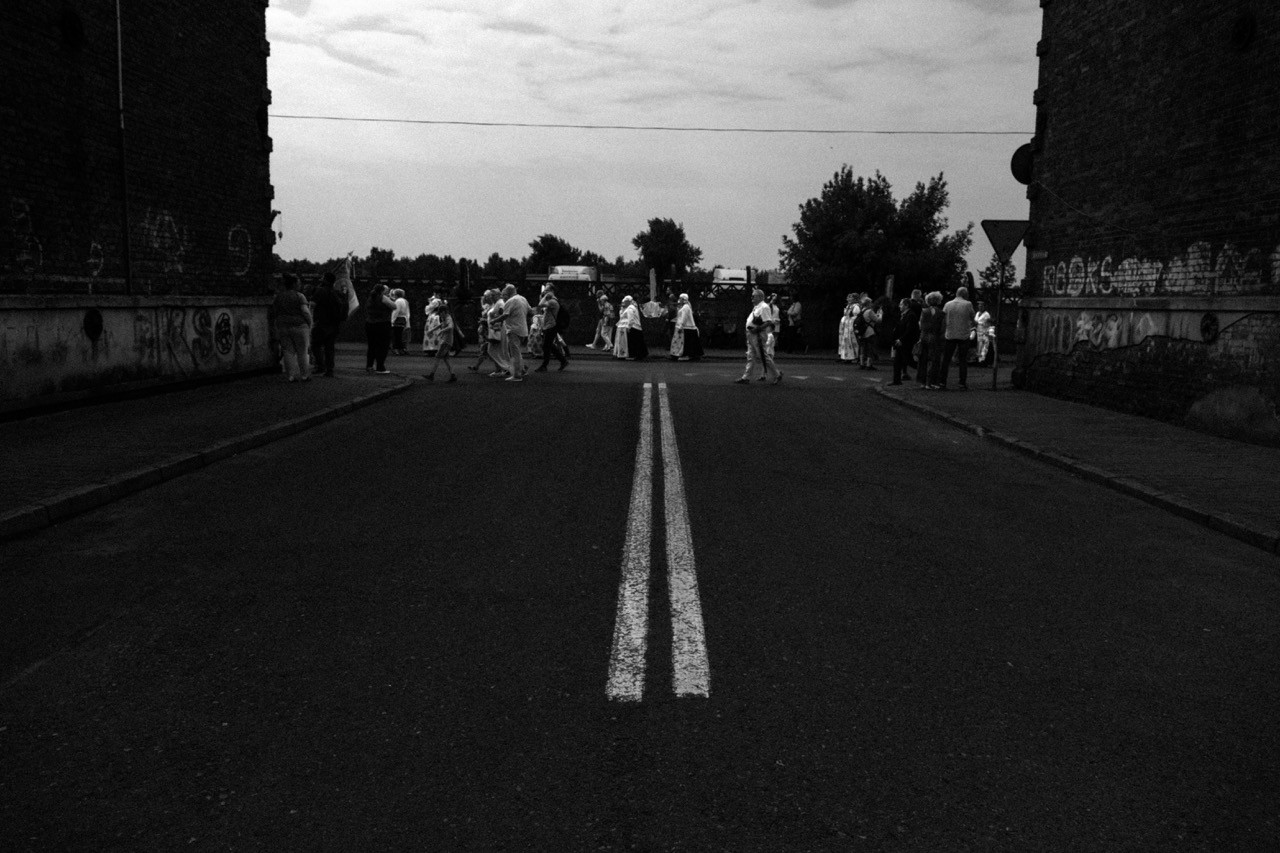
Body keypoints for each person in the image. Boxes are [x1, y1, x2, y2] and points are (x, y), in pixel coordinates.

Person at [735, 288, 782, 384]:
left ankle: (777, 374)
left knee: (763, 356)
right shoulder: (757, 307)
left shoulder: (764, 307)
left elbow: (768, 321)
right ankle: (746, 377)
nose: (752, 297)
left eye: (754, 296)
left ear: (760, 297)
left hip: (758, 335)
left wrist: (757, 329)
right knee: (751, 356)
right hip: (752, 334)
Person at [272, 273, 312, 382]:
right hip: (299, 326)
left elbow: (275, 312)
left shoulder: (278, 297)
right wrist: (310, 324)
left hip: (283, 326)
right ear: (294, 284)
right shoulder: (299, 296)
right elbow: (305, 312)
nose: (300, 285)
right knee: (302, 352)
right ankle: (304, 375)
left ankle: (290, 376)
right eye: (298, 283)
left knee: (288, 351)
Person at [310, 271, 348, 377]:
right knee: (329, 347)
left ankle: (320, 365)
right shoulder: (337, 293)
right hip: (334, 324)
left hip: (321, 323)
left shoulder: (320, 291)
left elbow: (312, 305)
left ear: (325, 280)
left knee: (315, 345)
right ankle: (329, 370)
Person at [939, 285, 977, 389]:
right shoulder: (968, 304)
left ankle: (942, 381)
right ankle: (962, 382)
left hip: (950, 334)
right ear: (965, 295)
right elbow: (973, 318)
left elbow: (943, 319)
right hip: (963, 335)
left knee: (946, 359)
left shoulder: (948, 304)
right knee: (963, 360)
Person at [498, 283, 530, 381]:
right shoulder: (523, 299)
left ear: (508, 293)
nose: (503, 297)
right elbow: (530, 311)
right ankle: (522, 370)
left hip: (513, 329)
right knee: (517, 351)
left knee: (514, 353)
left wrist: (494, 320)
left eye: (504, 294)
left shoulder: (511, 301)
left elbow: (505, 315)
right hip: (523, 329)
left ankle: (517, 375)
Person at [891, 290, 923, 386]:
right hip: (901, 342)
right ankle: (896, 380)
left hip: (906, 343)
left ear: (906, 305)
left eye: (901, 305)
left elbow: (909, 330)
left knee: (910, 361)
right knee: (898, 362)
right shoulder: (905, 315)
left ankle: (925, 374)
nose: (899, 306)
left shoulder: (910, 315)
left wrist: (901, 339)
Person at [365, 281, 396, 374]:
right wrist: (390, 299)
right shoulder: (382, 297)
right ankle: (380, 367)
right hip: (382, 324)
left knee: (372, 346)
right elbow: (394, 306)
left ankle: (369, 365)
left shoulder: (371, 298)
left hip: (370, 323)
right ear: (382, 291)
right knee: (383, 346)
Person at [536, 286, 569, 372]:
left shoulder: (552, 301)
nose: (545, 291)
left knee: (546, 346)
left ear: (551, 291)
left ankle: (544, 365)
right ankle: (563, 360)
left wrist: (545, 296)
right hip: (548, 326)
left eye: (547, 290)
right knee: (549, 345)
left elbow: (540, 305)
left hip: (551, 326)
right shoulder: (551, 300)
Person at [423, 300, 457, 383]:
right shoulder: (445, 317)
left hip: (446, 341)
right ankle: (452, 375)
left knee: (437, 357)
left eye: (441, 313)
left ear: (444, 312)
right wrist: (432, 330)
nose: (440, 315)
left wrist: (442, 331)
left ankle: (432, 375)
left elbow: (450, 327)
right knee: (446, 359)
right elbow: (441, 324)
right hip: (447, 340)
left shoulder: (448, 318)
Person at [918, 291, 945, 388]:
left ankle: (923, 382)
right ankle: (931, 382)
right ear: (938, 301)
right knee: (934, 360)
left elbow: (921, 326)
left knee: (923, 360)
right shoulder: (941, 313)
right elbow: (942, 329)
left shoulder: (924, 311)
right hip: (935, 338)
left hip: (924, 336)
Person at [669, 293, 703, 361]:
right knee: (688, 343)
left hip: (687, 327)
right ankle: (686, 355)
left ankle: (686, 355)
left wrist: (681, 326)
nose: (679, 299)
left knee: (686, 343)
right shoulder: (685, 306)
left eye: (680, 298)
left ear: (683, 299)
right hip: (687, 327)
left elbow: (684, 317)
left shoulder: (685, 307)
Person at [619, 294, 647, 360]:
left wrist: (629, 327)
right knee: (639, 342)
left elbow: (630, 319)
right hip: (638, 326)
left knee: (633, 342)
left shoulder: (630, 308)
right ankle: (641, 355)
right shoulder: (634, 307)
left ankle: (634, 355)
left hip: (633, 326)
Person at [856, 296, 881, 369]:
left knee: (862, 348)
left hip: (862, 332)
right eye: (871, 302)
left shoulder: (862, 311)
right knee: (870, 348)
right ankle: (868, 364)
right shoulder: (870, 311)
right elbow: (878, 320)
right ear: (869, 303)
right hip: (869, 332)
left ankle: (861, 363)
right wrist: (880, 314)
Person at [837, 293, 859, 363]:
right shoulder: (849, 306)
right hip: (846, 325)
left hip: (851, 325)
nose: (848, 299)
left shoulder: (856, 306)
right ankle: (846, 356)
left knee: (852, 341)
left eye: (850, 298)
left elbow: (856, 316)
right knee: (846, 341)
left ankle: (854, 357)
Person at [421, 291, 444, 356]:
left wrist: (429, 302)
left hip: (433, 317)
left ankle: (431, 349)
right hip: (438, 316)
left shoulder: (435, 301)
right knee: (436, 332)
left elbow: (428, 309)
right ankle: (437, 348)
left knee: (431, 332)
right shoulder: (441, 301)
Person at [390, 289, 411, 355]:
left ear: (396, 295)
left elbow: (396, 311)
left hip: (398, 319)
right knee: (401, 335)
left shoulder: (398, 301)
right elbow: (407, 312)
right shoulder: (405, 301)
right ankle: (401, 349)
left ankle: (396, 349)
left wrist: (392, 320)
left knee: (396, 335)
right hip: (403, 319)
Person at [974, 300, 994, 365]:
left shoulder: (986, 314)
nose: (980, 307)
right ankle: (979, 360)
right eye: (979, 306)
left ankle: (983, 361)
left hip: (984, 332)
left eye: (982, 306)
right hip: (978, 332)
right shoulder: (977, 313)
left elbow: (988, 323)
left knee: (984, 347)